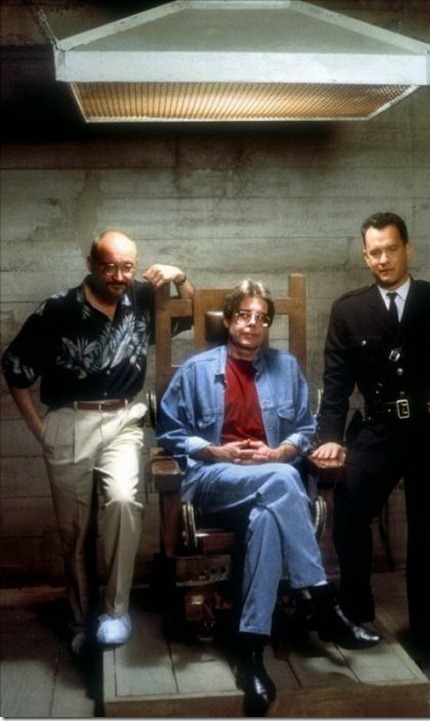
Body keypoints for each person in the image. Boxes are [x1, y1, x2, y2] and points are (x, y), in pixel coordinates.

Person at [156, 278, 380, 716]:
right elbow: (169, 430)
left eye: (262, 318)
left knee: (266, 519)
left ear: (267, 326)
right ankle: (322, 599)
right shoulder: (197, 370)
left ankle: (250, 652)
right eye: (244, 315)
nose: (252, 324)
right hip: (214, 480)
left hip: (271, 487)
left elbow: (305, 427)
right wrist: (214, 450)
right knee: (282, 479)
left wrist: (280, 452)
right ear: (228, 320)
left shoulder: (286, 368)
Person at [312, 211, 430, 670]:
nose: (383, 259)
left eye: (391, 249)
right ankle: (356, 612)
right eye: (374, 252)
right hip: (379, 430)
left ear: (407, 249)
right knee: (349, 512)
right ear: (365, 256)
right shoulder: (348, 310)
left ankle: (426, 636)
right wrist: (331, 437)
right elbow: (335, 384)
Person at [2, 229, 194, 653]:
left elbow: (190, 315)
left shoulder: (142, 298)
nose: (119, 276)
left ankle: (115, 611)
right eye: (109, 267)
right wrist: (40, 429)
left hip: (124, 419)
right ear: (90, 264)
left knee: (124, 501)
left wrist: (180, 276)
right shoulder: (57, 309)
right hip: (70, 421)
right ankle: (80, 620)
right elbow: (14, 368)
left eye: (127, 267)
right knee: (75, 531)